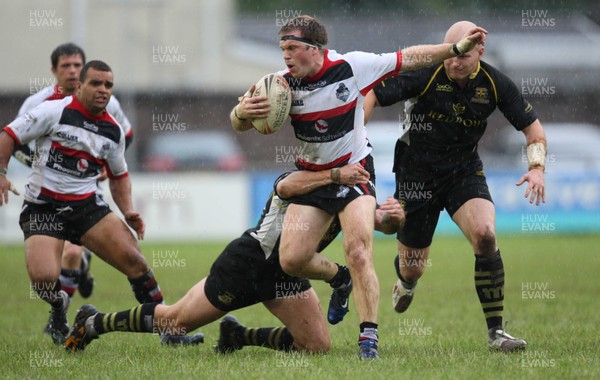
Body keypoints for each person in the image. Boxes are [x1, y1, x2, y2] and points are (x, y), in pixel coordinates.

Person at [230, 15, 486, 359]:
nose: (286, 56)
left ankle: (368, 339)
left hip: (356, 171)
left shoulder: (352, 67)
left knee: (359, 248)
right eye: (282, 49)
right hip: (313, 176)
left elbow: (409, 57)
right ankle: (340, 279)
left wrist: (455, 49)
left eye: (292, 48)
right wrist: (242, 113)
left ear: (315, 49)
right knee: (291, 259)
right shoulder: (279, 85)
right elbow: (239, 122)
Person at [63, 166, 404, 353]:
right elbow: (283, 186)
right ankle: (93, 322)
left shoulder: (351, 190)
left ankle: (238, 337)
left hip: (288, 272)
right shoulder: (306, 177)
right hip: (248, 264)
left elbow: (376, 224)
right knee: (176, 322)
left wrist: (393, 218)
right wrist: (332, 176)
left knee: (315, 345)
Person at [363, 20, 547, 352]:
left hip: (463, 172)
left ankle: (496, 333)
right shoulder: (427, 72)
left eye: (462, 54)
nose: (454, 60)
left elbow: (533, 131)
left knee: (486, 235)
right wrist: (355, 138)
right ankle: (405, 281)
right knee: (413, 267)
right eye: (450, 53)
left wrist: (536, 168)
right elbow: (373, 92)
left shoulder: (495, 83)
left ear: (480, 50)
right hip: (416, 175)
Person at [0, 60, 162, 346]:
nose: (103, 90)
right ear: (81, 85)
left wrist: (128, 211)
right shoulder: (53, 110)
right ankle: (59, 304)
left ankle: (170, 329)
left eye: (108, 85)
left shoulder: (113, 131)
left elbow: (119, 175)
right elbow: (8, 135)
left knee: (136, 262)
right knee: (43, 279)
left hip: (86, 207)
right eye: (96, 83)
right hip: (44, 207)